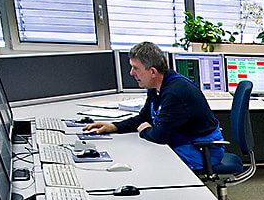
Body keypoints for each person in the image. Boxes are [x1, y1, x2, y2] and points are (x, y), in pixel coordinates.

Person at [83, 41, 224, 171]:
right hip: (186, 143)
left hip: (202, 150)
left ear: (152, 72)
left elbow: (160, 135)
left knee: (150, 165)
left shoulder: (175, 92)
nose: (131, 73)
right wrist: (114, 126)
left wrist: (145, 130)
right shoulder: (156, 87)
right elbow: (144, 118)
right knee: (143, 158)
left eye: (135, 68)